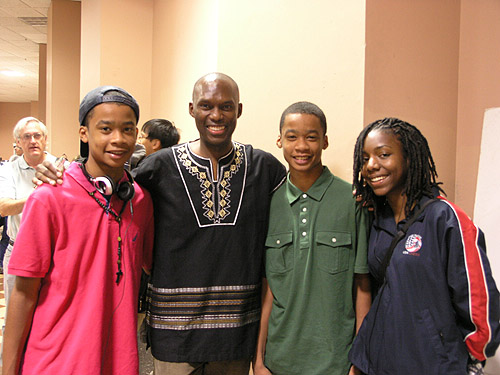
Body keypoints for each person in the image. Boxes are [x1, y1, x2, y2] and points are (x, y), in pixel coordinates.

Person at [33, 73, 287, 375]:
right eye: (206, 105)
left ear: (239, 110)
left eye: (226, 106)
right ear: (192, 109)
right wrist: (60, 170)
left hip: (236, 336)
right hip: (173, 335)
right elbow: (105, 182)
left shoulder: (264, 168)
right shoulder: (159, 167)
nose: (216, 115)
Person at [2, 86, 154, 375]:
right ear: (84, 133)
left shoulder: (140, 201)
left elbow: (151, 264)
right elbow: (23, 294)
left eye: (127, 129)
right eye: (105, 129)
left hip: (117, 362)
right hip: (55, 361)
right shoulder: (49, 197)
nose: (118, 139)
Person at [348, 117, 500, 374]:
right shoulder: (376, 219)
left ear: (409, 157)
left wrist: (471, 360)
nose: (371, 165)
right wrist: (362, 358)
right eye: (364, 159)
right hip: (379, 364)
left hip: (433, 366)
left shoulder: (445, 218)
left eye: (383, 154)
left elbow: (479, 301)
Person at [253, 102, 371, 375]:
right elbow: (269, 289)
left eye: (311, 137)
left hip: (336, 363)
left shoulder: (353, 201)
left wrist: (358, 360)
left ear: (325, 141)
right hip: (279, 361)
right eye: (292, 137)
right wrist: (258, 360)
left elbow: (362, 287)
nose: (301, 146)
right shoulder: (269, 204)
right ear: (279, 140)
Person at [0, 117, 57, 324]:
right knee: (16, 319)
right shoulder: (8, 170)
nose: (33, 141)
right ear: (18, 142)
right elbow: (4, 207)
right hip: (17, 250)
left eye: (37, 136)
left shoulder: (61, 167)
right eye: (27, 137)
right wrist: (39, 196)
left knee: (50, 315)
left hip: (53, 252)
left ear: (45, 140)